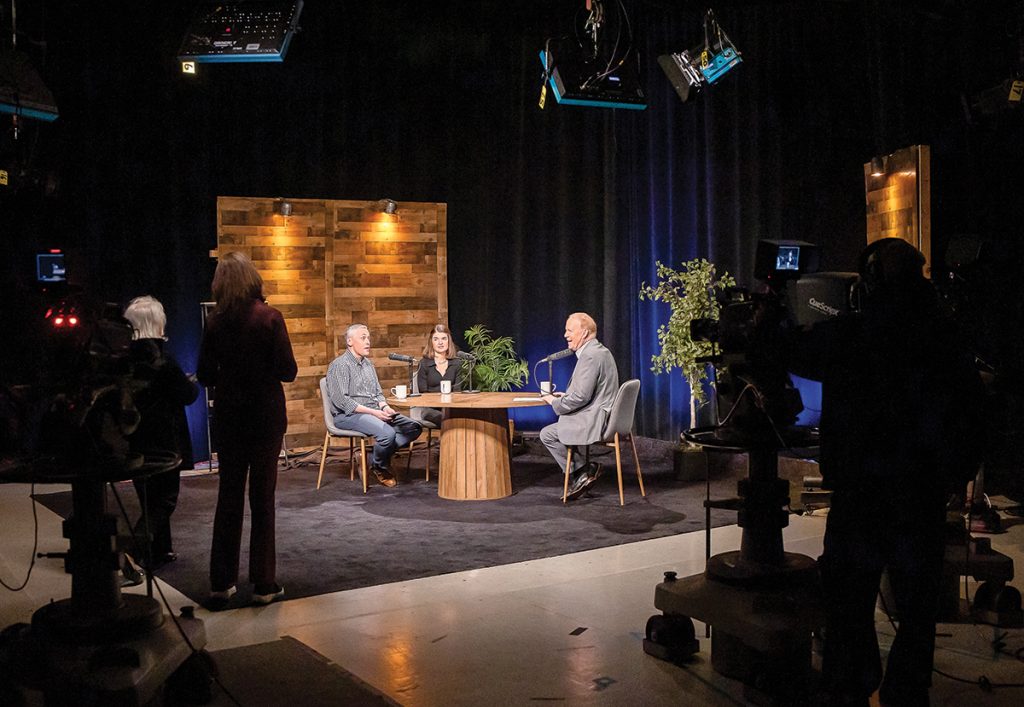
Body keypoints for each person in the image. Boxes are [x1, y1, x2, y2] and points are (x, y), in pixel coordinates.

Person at [792, 239, 985, 706]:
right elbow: (976, 414)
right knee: (917, 613)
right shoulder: (946, 334)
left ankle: (850, 686)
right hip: (921, 498)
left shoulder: (852, 334)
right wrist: (952, 477)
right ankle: (905, 693)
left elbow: (790, 350)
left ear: (872, 281)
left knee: (850, 607)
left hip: (861, 496)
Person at [197, 252, 297, 608]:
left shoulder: (214, 322)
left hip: (229, 418)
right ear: (253, 279)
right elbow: (288, 370)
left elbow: (205, 375)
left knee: (229, 497)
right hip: (266, 416)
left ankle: (221, 582)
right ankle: (264, 583)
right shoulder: (270, 317)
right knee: (262, 498)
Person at [123, 296, 199, 572]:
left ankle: (160, 550)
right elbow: (188, 395)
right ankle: (133, 552)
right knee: (165, 498)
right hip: (165, 440)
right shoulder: (163, 362)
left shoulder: (125, 361)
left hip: (135, 438)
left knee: (147, 495)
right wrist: (191, 382)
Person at [326, 324, 422, 487]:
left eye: (368, 338)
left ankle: (372, 458)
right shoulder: (340, 365)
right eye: (363, 338)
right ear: (350, 341)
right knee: (387, 434)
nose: (368, 342)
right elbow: (342, 401)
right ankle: (380, 466)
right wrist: (374, 413)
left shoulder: (368, 364)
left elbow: (377, 393)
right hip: (348, 415)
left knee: (414, 427)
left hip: (373, 411)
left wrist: (384, 407)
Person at [539, 312, 619, 501]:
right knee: (558, 427)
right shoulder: (600, 351)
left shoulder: (590, 356)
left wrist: (554, 401)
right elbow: (590, 392)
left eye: (569, 330)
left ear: (583, 333)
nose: (566, 335)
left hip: (596, 420)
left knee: (547, 434)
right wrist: (567, 396)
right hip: (606, 416)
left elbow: (581, 397)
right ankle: (584, 471)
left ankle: (583, 471)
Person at [413, 323, 464, 426]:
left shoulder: (456, 363)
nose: (440, 342)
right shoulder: (424, 363)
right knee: (446, 418)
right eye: (436, 339)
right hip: (430, 409)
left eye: (444, 339)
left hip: (452, 407)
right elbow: (423, 393)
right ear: (431, 342)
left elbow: (458, 391)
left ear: (449, 341)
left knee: (464, 417)